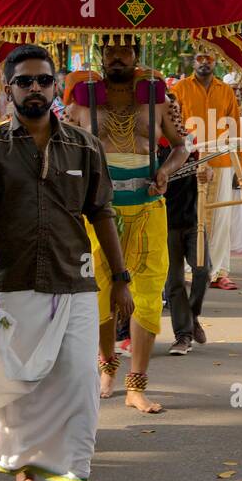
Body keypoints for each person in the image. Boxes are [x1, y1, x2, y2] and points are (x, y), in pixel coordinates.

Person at [0, 44, 125, 481]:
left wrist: (121, 278)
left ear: (56, 86)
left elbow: (101, 212)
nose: (34, 89)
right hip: (11, 284)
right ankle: (25, 477)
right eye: (24, 81)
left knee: (78, 382)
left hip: (73, 281)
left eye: (43, 80)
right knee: (21, 388)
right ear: (7, 88)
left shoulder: (84, 145)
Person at [65, 38, 188, 414]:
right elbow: (64, 148)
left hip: (149, 206)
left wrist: (165, 171)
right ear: (101, 56)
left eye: (125, 51)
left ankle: (137, 384)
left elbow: (182, 147)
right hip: (98, 212)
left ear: (136, 55)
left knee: (148, 293)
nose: (117, 57)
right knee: (99, 293)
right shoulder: (80, 101)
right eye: (110, 51)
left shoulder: (160, 98)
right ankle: (107, 367)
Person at [173, 50, 242, 290]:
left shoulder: (225, 91)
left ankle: (220, 271)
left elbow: (235, 128)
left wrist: (239, 168)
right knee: (190, 216)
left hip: (222, 160)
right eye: (200, 57)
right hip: (188, 162)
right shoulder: (180, 88)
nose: (204, 62)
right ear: (193, 61)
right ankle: (189, 270)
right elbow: (172, 125)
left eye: (209, 58)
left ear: (215, 62)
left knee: (221, 218)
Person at [162, 91, 211, 355]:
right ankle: (183, 336)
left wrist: (206, 174)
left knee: (203, 270)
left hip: (193, 219)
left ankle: (192, 316)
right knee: (174, 282)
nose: (173, 115)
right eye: (167, 111)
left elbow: (202, 172)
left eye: (175, 110)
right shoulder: (146, 144)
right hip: (163, 222)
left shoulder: (190, 142)